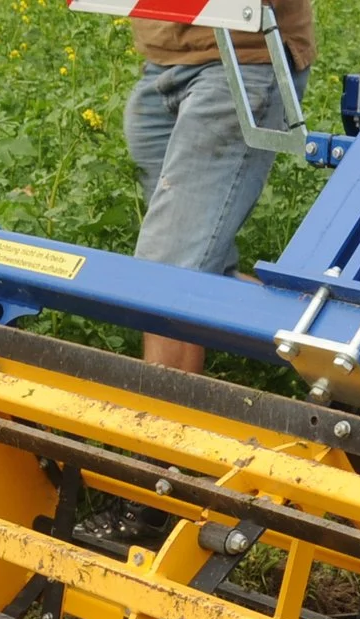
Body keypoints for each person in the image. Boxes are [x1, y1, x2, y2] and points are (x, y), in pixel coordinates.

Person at [123, 0, 316, 375]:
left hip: (243, 57)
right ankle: (339, 338)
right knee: (200, 266)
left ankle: (159, 424)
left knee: (168, 271)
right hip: (162, 58)